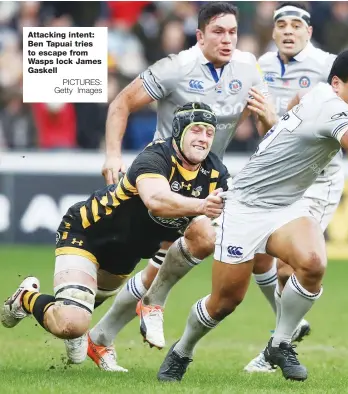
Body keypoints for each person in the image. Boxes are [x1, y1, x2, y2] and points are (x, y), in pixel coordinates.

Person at [156, 48, 348, 383]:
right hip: (247, 204)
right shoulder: (333, 110)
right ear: (336, 84)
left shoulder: (318, 93)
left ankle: (280, 343)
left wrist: (281, 130)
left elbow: (302, 101)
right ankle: (182, 350)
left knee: (313, 263)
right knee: (225, 301)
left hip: (289, 204)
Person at [85, 1, 281, 369]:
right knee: (121, 272)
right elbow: (122, 103)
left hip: (207, 181)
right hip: (160, 178)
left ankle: (101, 335)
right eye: (218, 32)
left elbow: (268, 133)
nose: (227, 39)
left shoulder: (247, 68)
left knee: (170, 259)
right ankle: (122, 312)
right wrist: (112, 155)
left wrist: (270, 120)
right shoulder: (176, 68)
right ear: (201, 35)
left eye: (233, 32)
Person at [0, 102, 228, 372]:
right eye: (196, 130)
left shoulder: (215, 172)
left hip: (126, 254)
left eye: (209, 133)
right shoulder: (156, 157)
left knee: (205, 234)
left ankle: (97, 325)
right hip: (87, 234)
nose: (203, 138)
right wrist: (202, 206)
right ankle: (26, 298)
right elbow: (156, 200)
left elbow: (227, 218)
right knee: (71, 323)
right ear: (179, 131)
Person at [244, 2, 348, 373]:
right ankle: (290, 324)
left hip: (318, 178)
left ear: (309, 32)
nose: (288, 31)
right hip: (278, 171)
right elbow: (284, 123)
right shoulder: (259, 66)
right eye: (281, 24)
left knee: (289, 267)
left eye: (296, 25)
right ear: (273, 30)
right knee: (258, 259)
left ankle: (275, 347)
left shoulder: (333, 67)